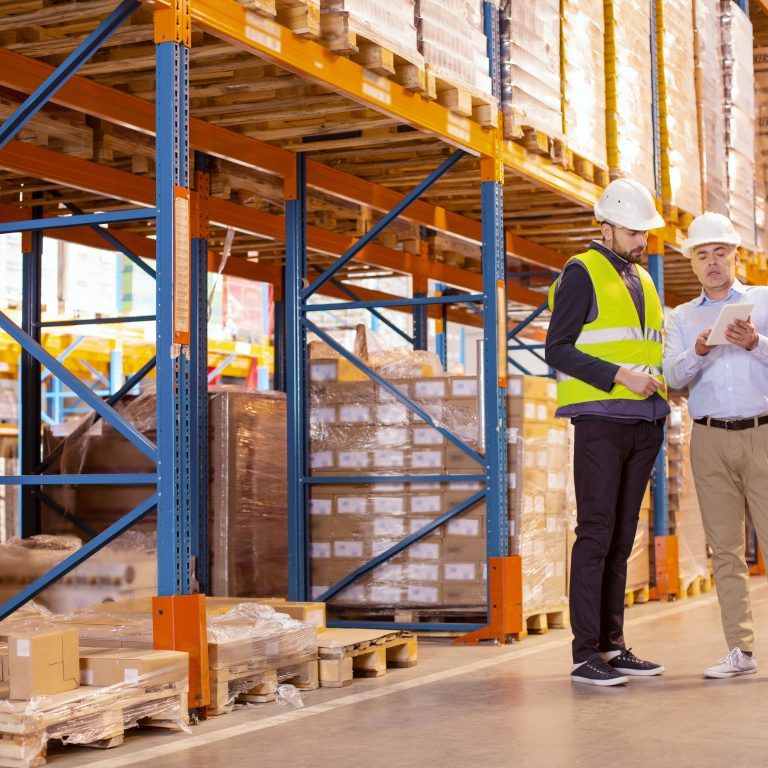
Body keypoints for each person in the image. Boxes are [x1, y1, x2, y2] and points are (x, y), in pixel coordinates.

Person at [545, 178, 669, 686]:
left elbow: (646, 349)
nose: (642, 241)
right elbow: (557, 348)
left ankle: (613, 646)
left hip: (647, 421)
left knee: (621, 537)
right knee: (595, 534)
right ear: (606, 227)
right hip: (600, 420)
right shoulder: (582, 271)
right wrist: (620, 376)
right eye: (633, 231)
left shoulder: (643, 278)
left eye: (645, 232)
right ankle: (584, 653)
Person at [663, 211, 768, 679]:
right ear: (692, 263)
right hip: (708, 439)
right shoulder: (683, 318)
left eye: (719, 253)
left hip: (762, 433)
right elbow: (671, 378)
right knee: (725, 551)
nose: (712, 263)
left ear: (735, 255)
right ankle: (740, 651)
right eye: (702, 255)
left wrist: (755, 343)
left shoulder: (764, 301)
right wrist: (697, 353)